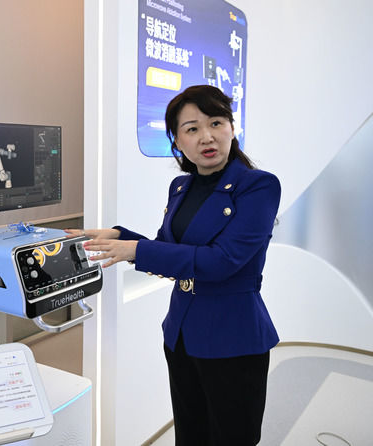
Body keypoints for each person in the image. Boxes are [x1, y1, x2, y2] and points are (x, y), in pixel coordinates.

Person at [67, 85, 280, 445]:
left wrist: (135, 250)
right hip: (181, 334)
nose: (207, 136)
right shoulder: (181, 187)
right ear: (178, 141)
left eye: (216, 123)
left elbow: (223, 261)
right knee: (191, 434)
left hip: (233, 339)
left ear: (232, 128)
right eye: (192, 128)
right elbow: (168, 251)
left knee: (232, 438)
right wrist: (119, 235)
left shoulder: (258, 186)